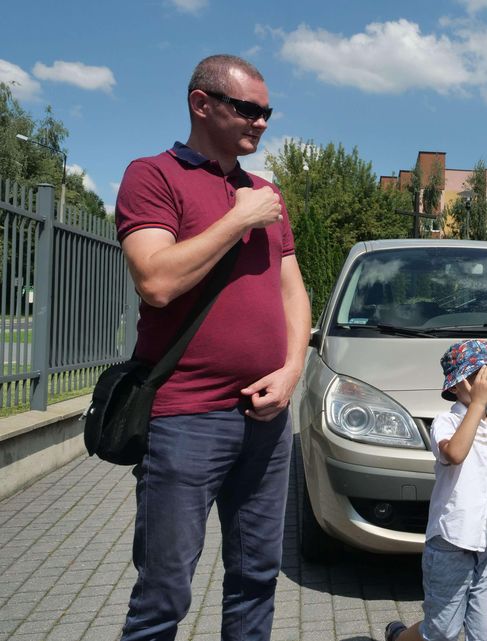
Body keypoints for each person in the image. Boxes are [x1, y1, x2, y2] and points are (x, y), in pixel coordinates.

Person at [115, 54, 310, 641]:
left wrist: (292, 371)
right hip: (185, 418)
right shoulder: (153, 176)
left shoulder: (266, 194)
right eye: (248, 109)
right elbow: (155, 281)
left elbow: (294, 293)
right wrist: (237, 219)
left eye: (268, 112)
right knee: (164, 593)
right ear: (202, 104)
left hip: (266, 418)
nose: (262, 122)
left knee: (256, 578)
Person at [387, 340, 487, 641]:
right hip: (451, 542)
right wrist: (478, 405)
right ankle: (399, 637)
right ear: (455, 386)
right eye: (475, 377)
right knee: (442, 630)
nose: (485, 383)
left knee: (484, 631)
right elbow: (454, 453)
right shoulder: (447, 421)